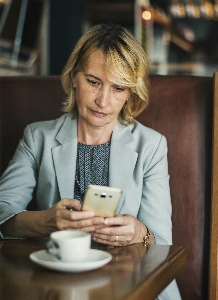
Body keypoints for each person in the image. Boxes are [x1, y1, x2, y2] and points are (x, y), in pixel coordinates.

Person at [0, 23, 181, 299]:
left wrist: (139, 232)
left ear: (131, 93)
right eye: (93, 82)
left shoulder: (151, 146)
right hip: (55, 286)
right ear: (74, 77)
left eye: (118, 88)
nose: (102, 101)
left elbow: (161, 242)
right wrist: (47, 222)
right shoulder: (38, 137)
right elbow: (3, 213)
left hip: (129, 286)